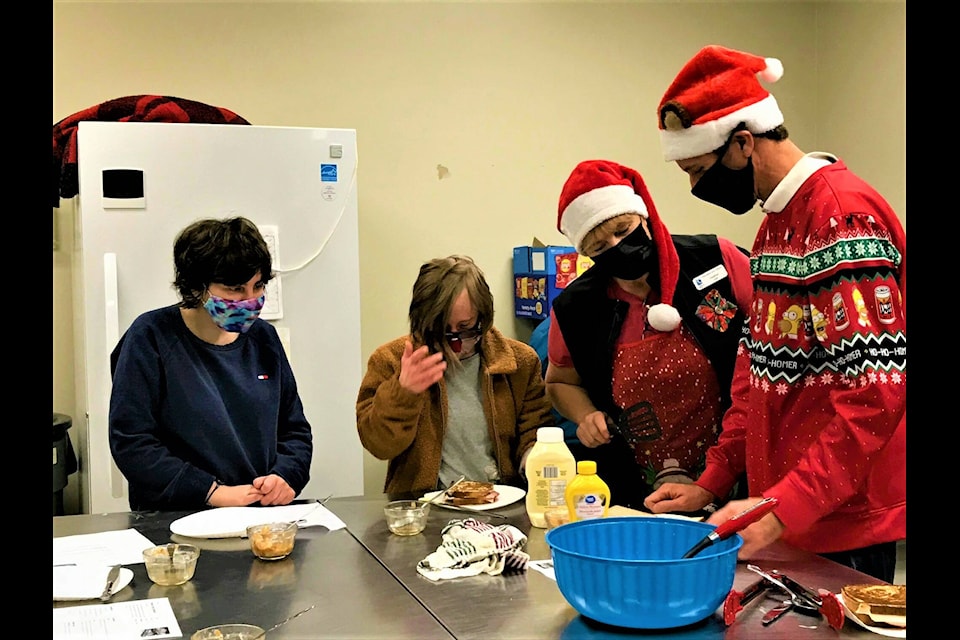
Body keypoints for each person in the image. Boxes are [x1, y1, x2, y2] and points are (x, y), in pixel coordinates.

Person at [647, 44, 906, 582]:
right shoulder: (773, 228)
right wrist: (714, 479)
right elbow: (758, 372)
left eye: (698, 170)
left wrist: (782, 507)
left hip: (840, 528)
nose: (695, 189)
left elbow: (875, 395)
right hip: (788, 517)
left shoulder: (842, 218)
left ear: (743, 143)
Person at [544, 159, 752, 510]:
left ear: (643, 216)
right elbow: (559, 381)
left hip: (737, 472)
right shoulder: (575, 308)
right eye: (598, 246)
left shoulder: (716, 261)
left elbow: (774, 341)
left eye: (623, 230)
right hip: (634, 486)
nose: (615, 245)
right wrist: (585, 416)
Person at [109, 216, 313, 511]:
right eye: (234, 289)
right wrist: (210, 492)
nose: (250, 300)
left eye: (258, 286)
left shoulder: (264, 339)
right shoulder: (150, 337)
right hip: (175, 519)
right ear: (196, 287)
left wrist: (285, 477)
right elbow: (133, 442)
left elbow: (294, 431)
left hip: (258, 518)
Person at [356, 255, 554, 494]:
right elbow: (378, 445)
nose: (454, 344)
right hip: (425, 508)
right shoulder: (390, 360)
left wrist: (534, 460)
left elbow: (534, 433)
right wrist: (402, 393)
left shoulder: (520, 363)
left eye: (465, 328)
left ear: (484, 317)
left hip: (500, 504)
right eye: (441, 330)